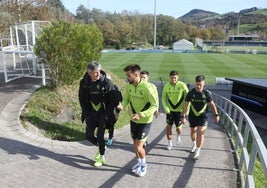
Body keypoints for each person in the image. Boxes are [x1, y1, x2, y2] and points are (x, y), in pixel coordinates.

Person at [118, 64, 158, 177]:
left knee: (139, 146)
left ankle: (144, 165)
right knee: (135, 145)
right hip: (133, 120)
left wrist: (141, 114)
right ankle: (139, 163)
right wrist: (122, 105)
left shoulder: (147, 87)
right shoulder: (128, 86)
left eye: (128, 75)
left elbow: (154, 105)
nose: (127, 78)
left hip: (144, 121)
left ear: (136, 74)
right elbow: (126, 99)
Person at [78, 61, 117, 167]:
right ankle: (102, 147)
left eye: (99, 71)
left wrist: (107, 115)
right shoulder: (84, 83)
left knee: (100, 135)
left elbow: (113, 100)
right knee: (89, 136)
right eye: (95, 72)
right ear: (89, 73)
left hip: (103, 113)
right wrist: (86, 113)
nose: (98, 74)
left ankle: (102, 156)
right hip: (91, 113)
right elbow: (81, 98)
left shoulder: (107, 82)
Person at [181, 75, 220, 160]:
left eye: (200, 85)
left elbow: (212, 105)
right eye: (197, 84)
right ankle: (194, 144)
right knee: (192, 131)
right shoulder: (191, 93)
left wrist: (216, 114)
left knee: (200, 132)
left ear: (204, 84)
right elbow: (185, 105)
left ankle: (198, 151)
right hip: (192, 115)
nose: (199, 86)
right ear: (195, 83)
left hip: (203, 116)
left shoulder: (206, 93)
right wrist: (183, 116)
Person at [161, 70, 188, 150]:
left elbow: (188, 98)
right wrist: (166, 108)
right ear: (169, 77)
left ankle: (178, 136)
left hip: (180, 111)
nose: (173, 80)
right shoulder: (166, 86)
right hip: (170, 111)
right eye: (172, 78)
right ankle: (169, 143)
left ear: (178, 77)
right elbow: (163, 98)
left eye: (175, 78)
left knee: (179, 129)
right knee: (168, 127)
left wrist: (185, 113)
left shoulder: (182, 85)